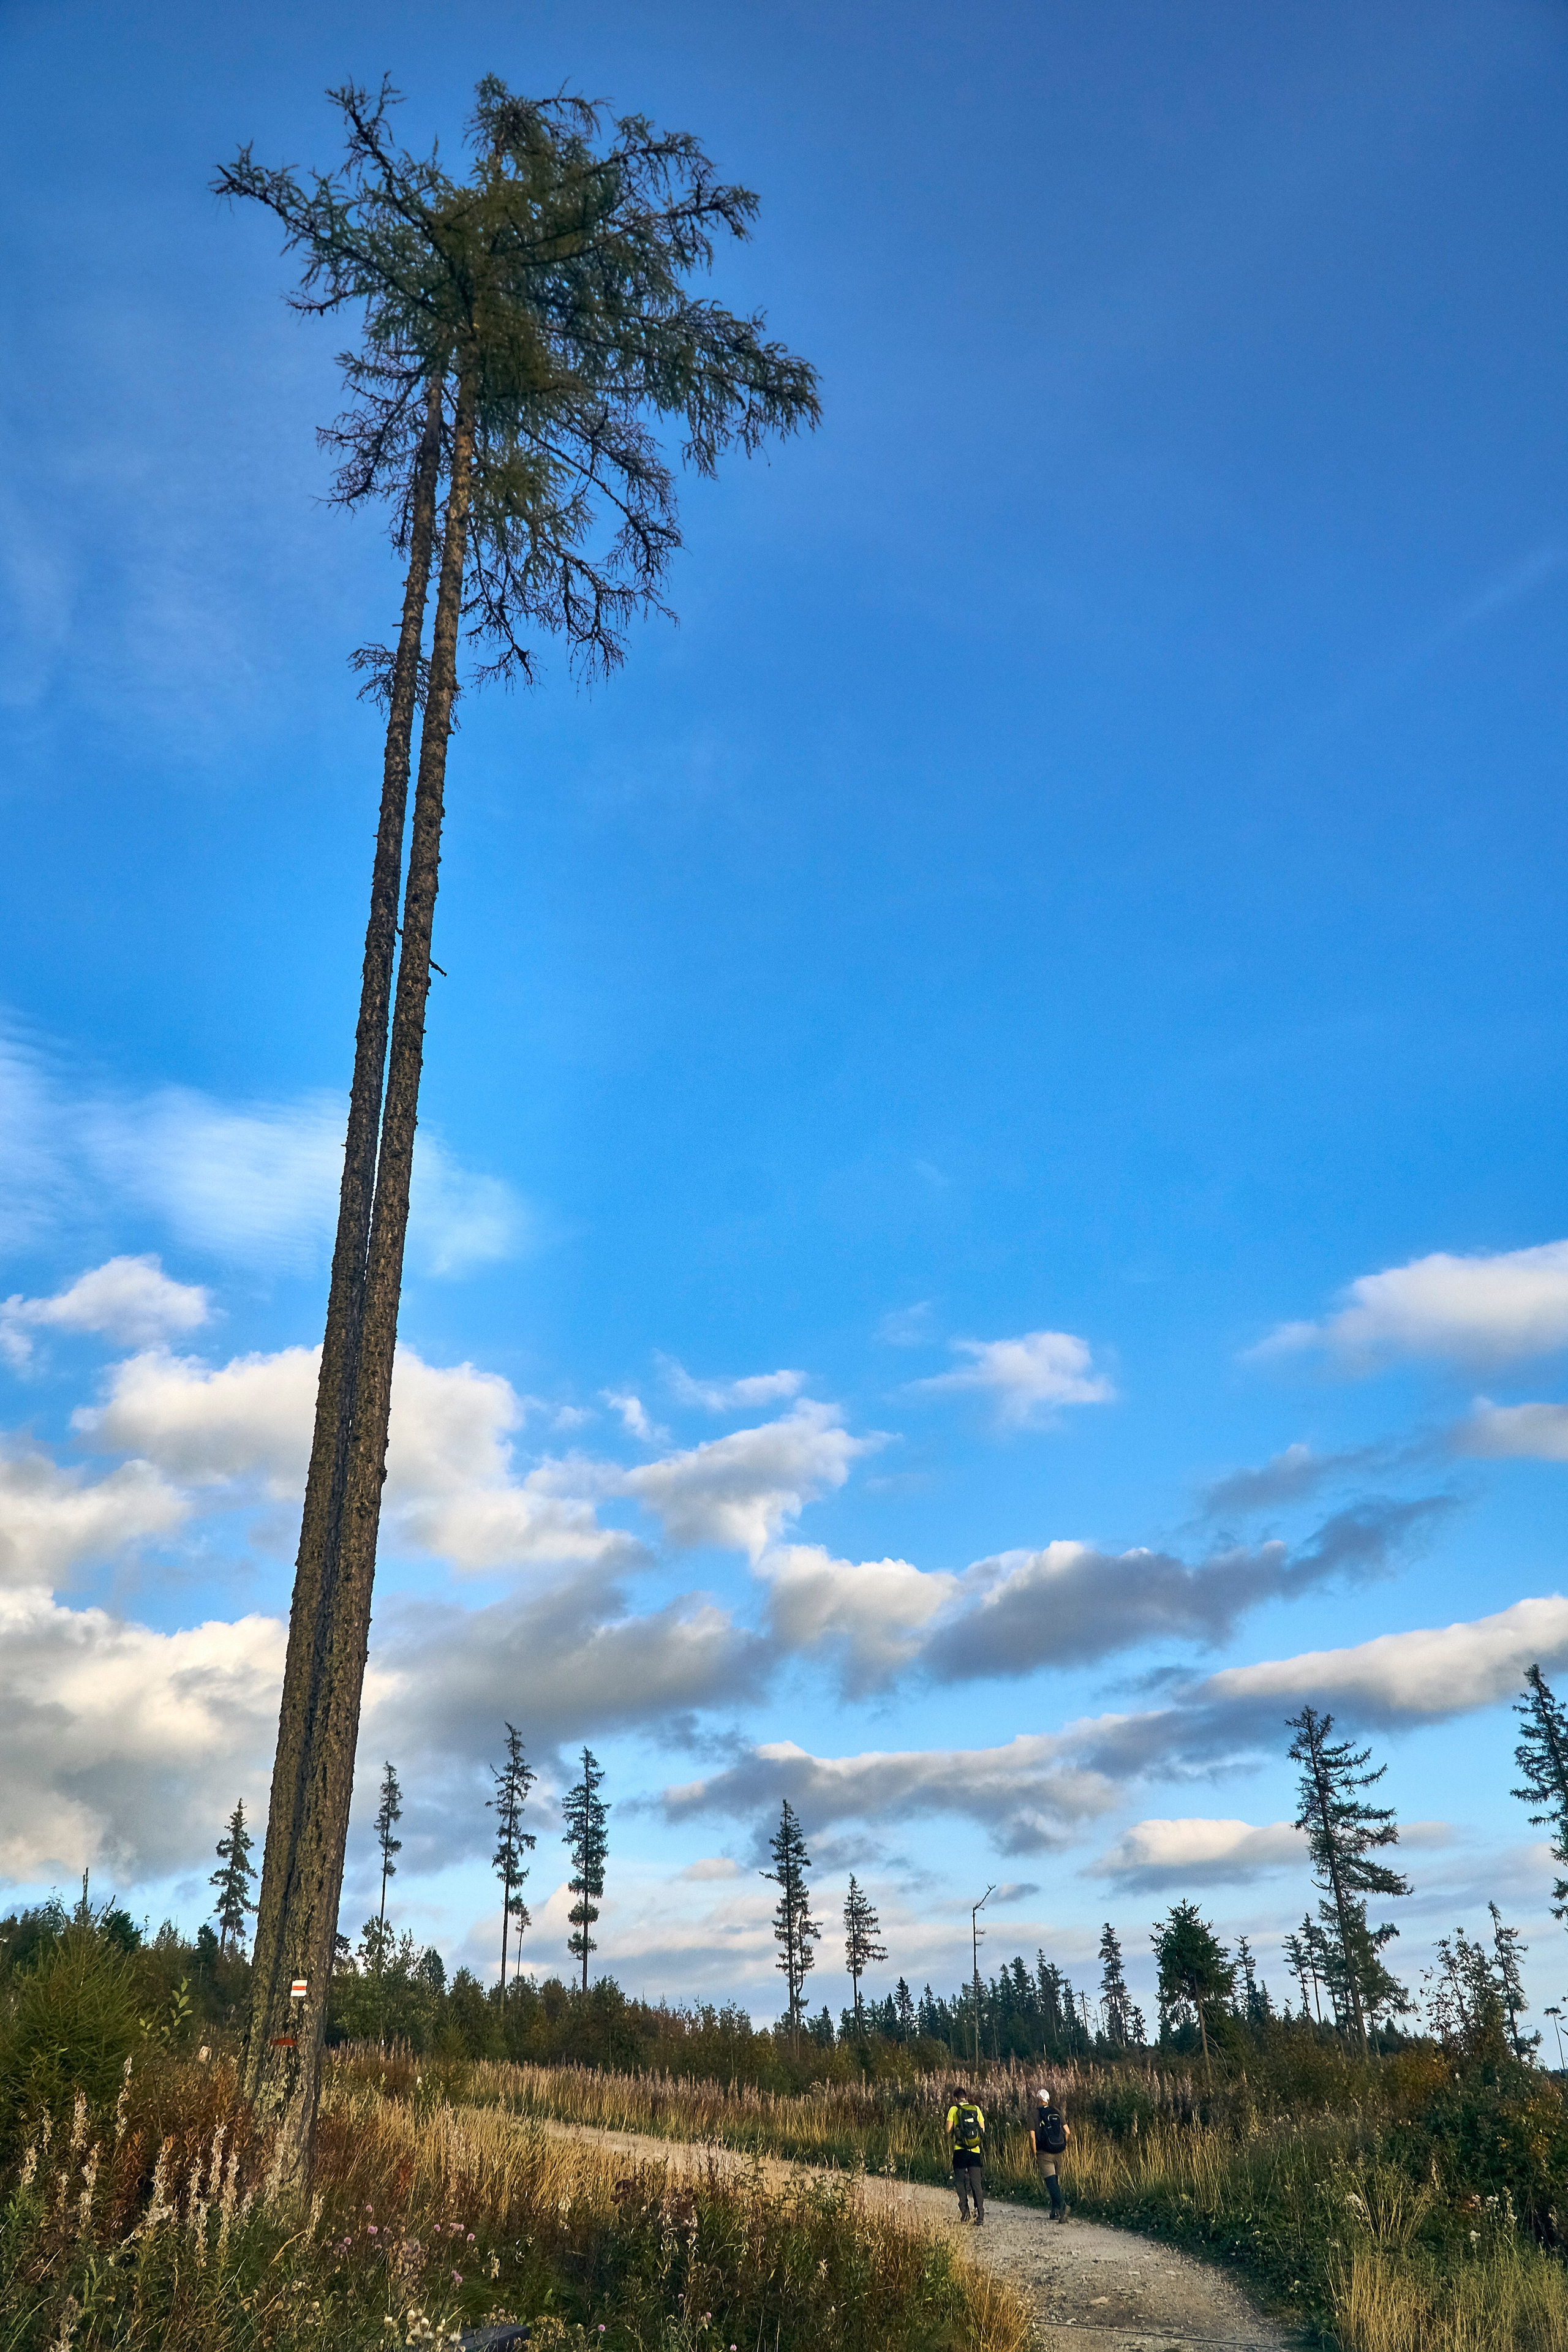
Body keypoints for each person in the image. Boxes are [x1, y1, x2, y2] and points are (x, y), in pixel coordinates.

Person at [945, 2083, 987, 2224]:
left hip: (960, 2151)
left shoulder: (953, 2110)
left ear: (955, 2098)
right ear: (966, 2097)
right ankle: (980, 2214)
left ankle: (965, 2213)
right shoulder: (976, 2109)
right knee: (976, 2183)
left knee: (960, 2182)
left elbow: (948, 2130)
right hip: (975, 2152)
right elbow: (983, 2130)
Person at [1032, 2084, 1070, 2220]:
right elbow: (1068, 2132)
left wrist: (1034, 2152)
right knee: (1055, 2182)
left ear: (1039, 2099)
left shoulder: (1035, 2113)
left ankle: (1063, 2206)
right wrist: (1062, 2146)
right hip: (1059, 2151)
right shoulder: (1057, 2111)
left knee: (1051, 2183)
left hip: (1044, 2153)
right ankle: (1055, 2211)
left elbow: (1032, 2136)